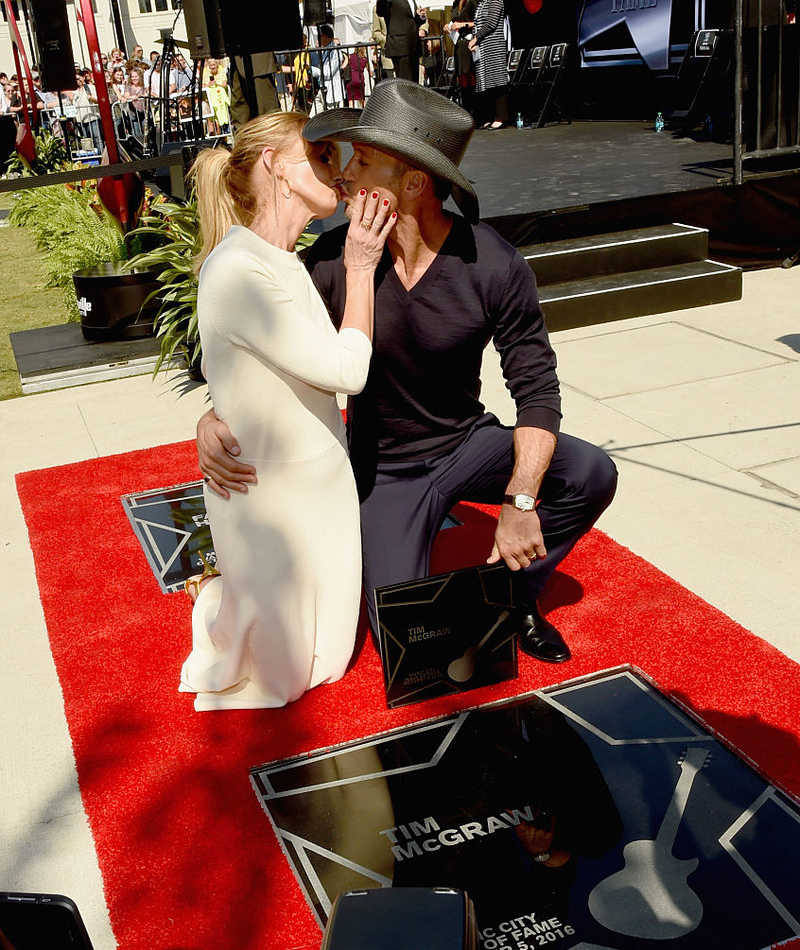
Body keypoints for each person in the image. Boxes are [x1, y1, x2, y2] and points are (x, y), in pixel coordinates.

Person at [197, 79, 618, 665]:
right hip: (382, 469)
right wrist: (212, 415)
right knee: (408, 633)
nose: (344, 174)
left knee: (592, 471)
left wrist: (520, 502)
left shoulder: (492, 262)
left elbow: (537, 388)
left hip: (467, 444)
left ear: (414, 184)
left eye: (363, 161)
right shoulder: (330, 262)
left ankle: (518, 597)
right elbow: (246, 351)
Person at [179, 111, 396, 710]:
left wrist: (212, 415)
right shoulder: (238, 270)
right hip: (270, 496)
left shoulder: (284, 260)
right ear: (276, 165)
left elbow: (262, 374)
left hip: (321, 485)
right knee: (286, 673)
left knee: (330, 659)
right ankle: (222, 599)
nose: (340, 170)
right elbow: (348, 371)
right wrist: (360, 267)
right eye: (322, 157)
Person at [468, 0, 510, 130]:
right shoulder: (482, 3)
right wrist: (475, 41)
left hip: (494, 45)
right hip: (483, 47)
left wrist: (475, 39)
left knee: (496, 80)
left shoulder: (496, 1)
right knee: (486, 82)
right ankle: (490, 117)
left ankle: (500, 117)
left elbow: (491, 23)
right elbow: (477, 24)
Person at [375, 0, 427, 82]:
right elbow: (380, 11)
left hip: (413, 46)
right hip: (400, 46)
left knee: (414, 85)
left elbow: (410, 22)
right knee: (405, 85)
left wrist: (421, 16)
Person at [444, 0, 477, 114]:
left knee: (471, 75)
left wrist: (462, 24)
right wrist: (448, 26)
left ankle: (476, 111)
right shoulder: (455, 3)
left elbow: (480, 22)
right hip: (459, 42)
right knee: (461, 76)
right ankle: (467, 110)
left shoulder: (472, 2)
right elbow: (454, 20)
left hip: (470, 41)